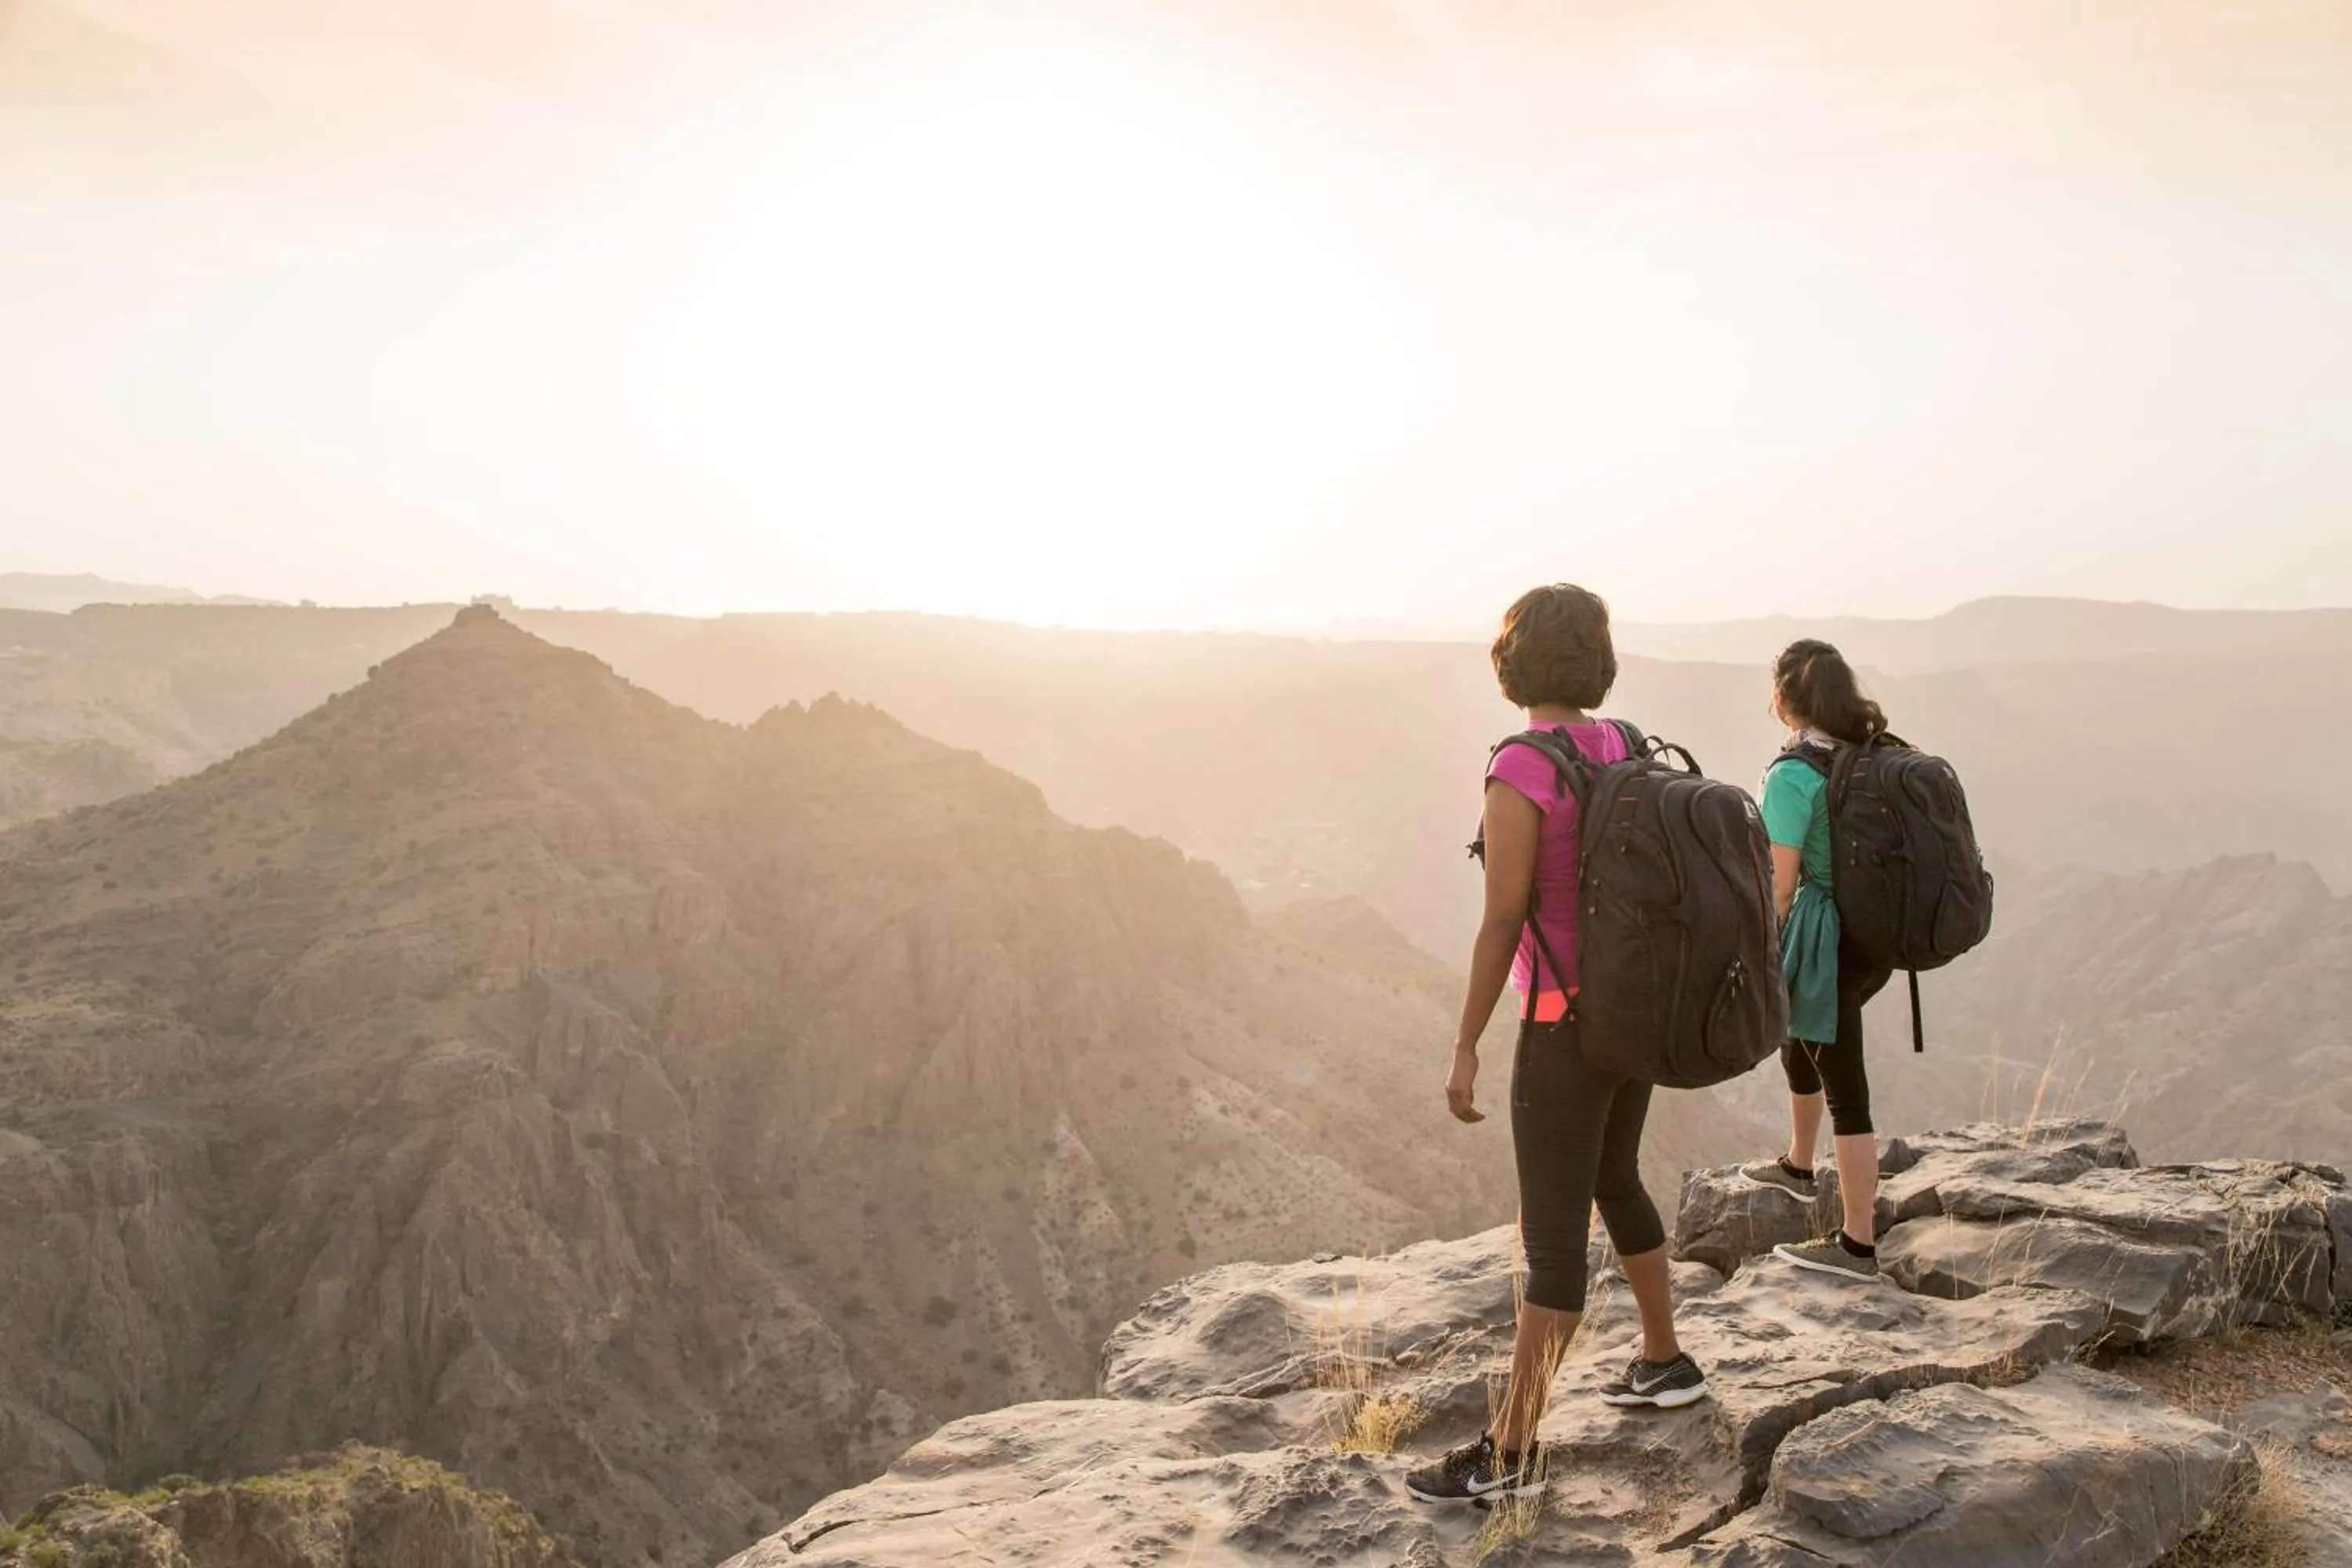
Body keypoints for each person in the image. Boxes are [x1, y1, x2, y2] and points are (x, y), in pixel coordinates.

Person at [1406, 584, 1708, 1508]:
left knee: (1551, 1241)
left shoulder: (1522, 767)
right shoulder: (1625, 745)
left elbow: (1502, 921)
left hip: (1559, 1024)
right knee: (1618, 1178)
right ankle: (1663, 1357)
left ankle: (1512, 1449)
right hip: (1634, 1016)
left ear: (1513, 660)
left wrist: (1464, 1044)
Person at [1741, 639, 1896, 1283]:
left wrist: (1757, 951)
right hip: (1874, 935)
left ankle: (1858, 1247)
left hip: (1826, 936)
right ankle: (1800, 1166)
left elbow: (1779, 885)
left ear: (1784, 699)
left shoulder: (1792, 775)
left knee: (1843, 1084)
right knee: (1798, 1040)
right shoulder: (1869, 754)